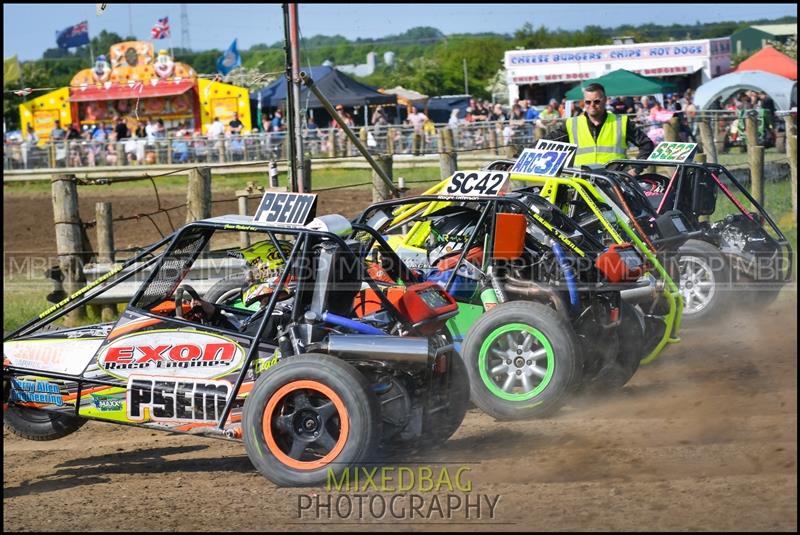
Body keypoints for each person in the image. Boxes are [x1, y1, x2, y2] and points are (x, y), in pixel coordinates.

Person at [542, 83, 654, 172]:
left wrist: (635, 170)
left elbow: (647, 144)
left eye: (596, 101)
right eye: (588, 102)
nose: (592, 105)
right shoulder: (572, 124)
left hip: (614, 184)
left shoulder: (621, 122)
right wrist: (526, 150)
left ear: (605, 100)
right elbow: (545, 143)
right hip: (582, 186)